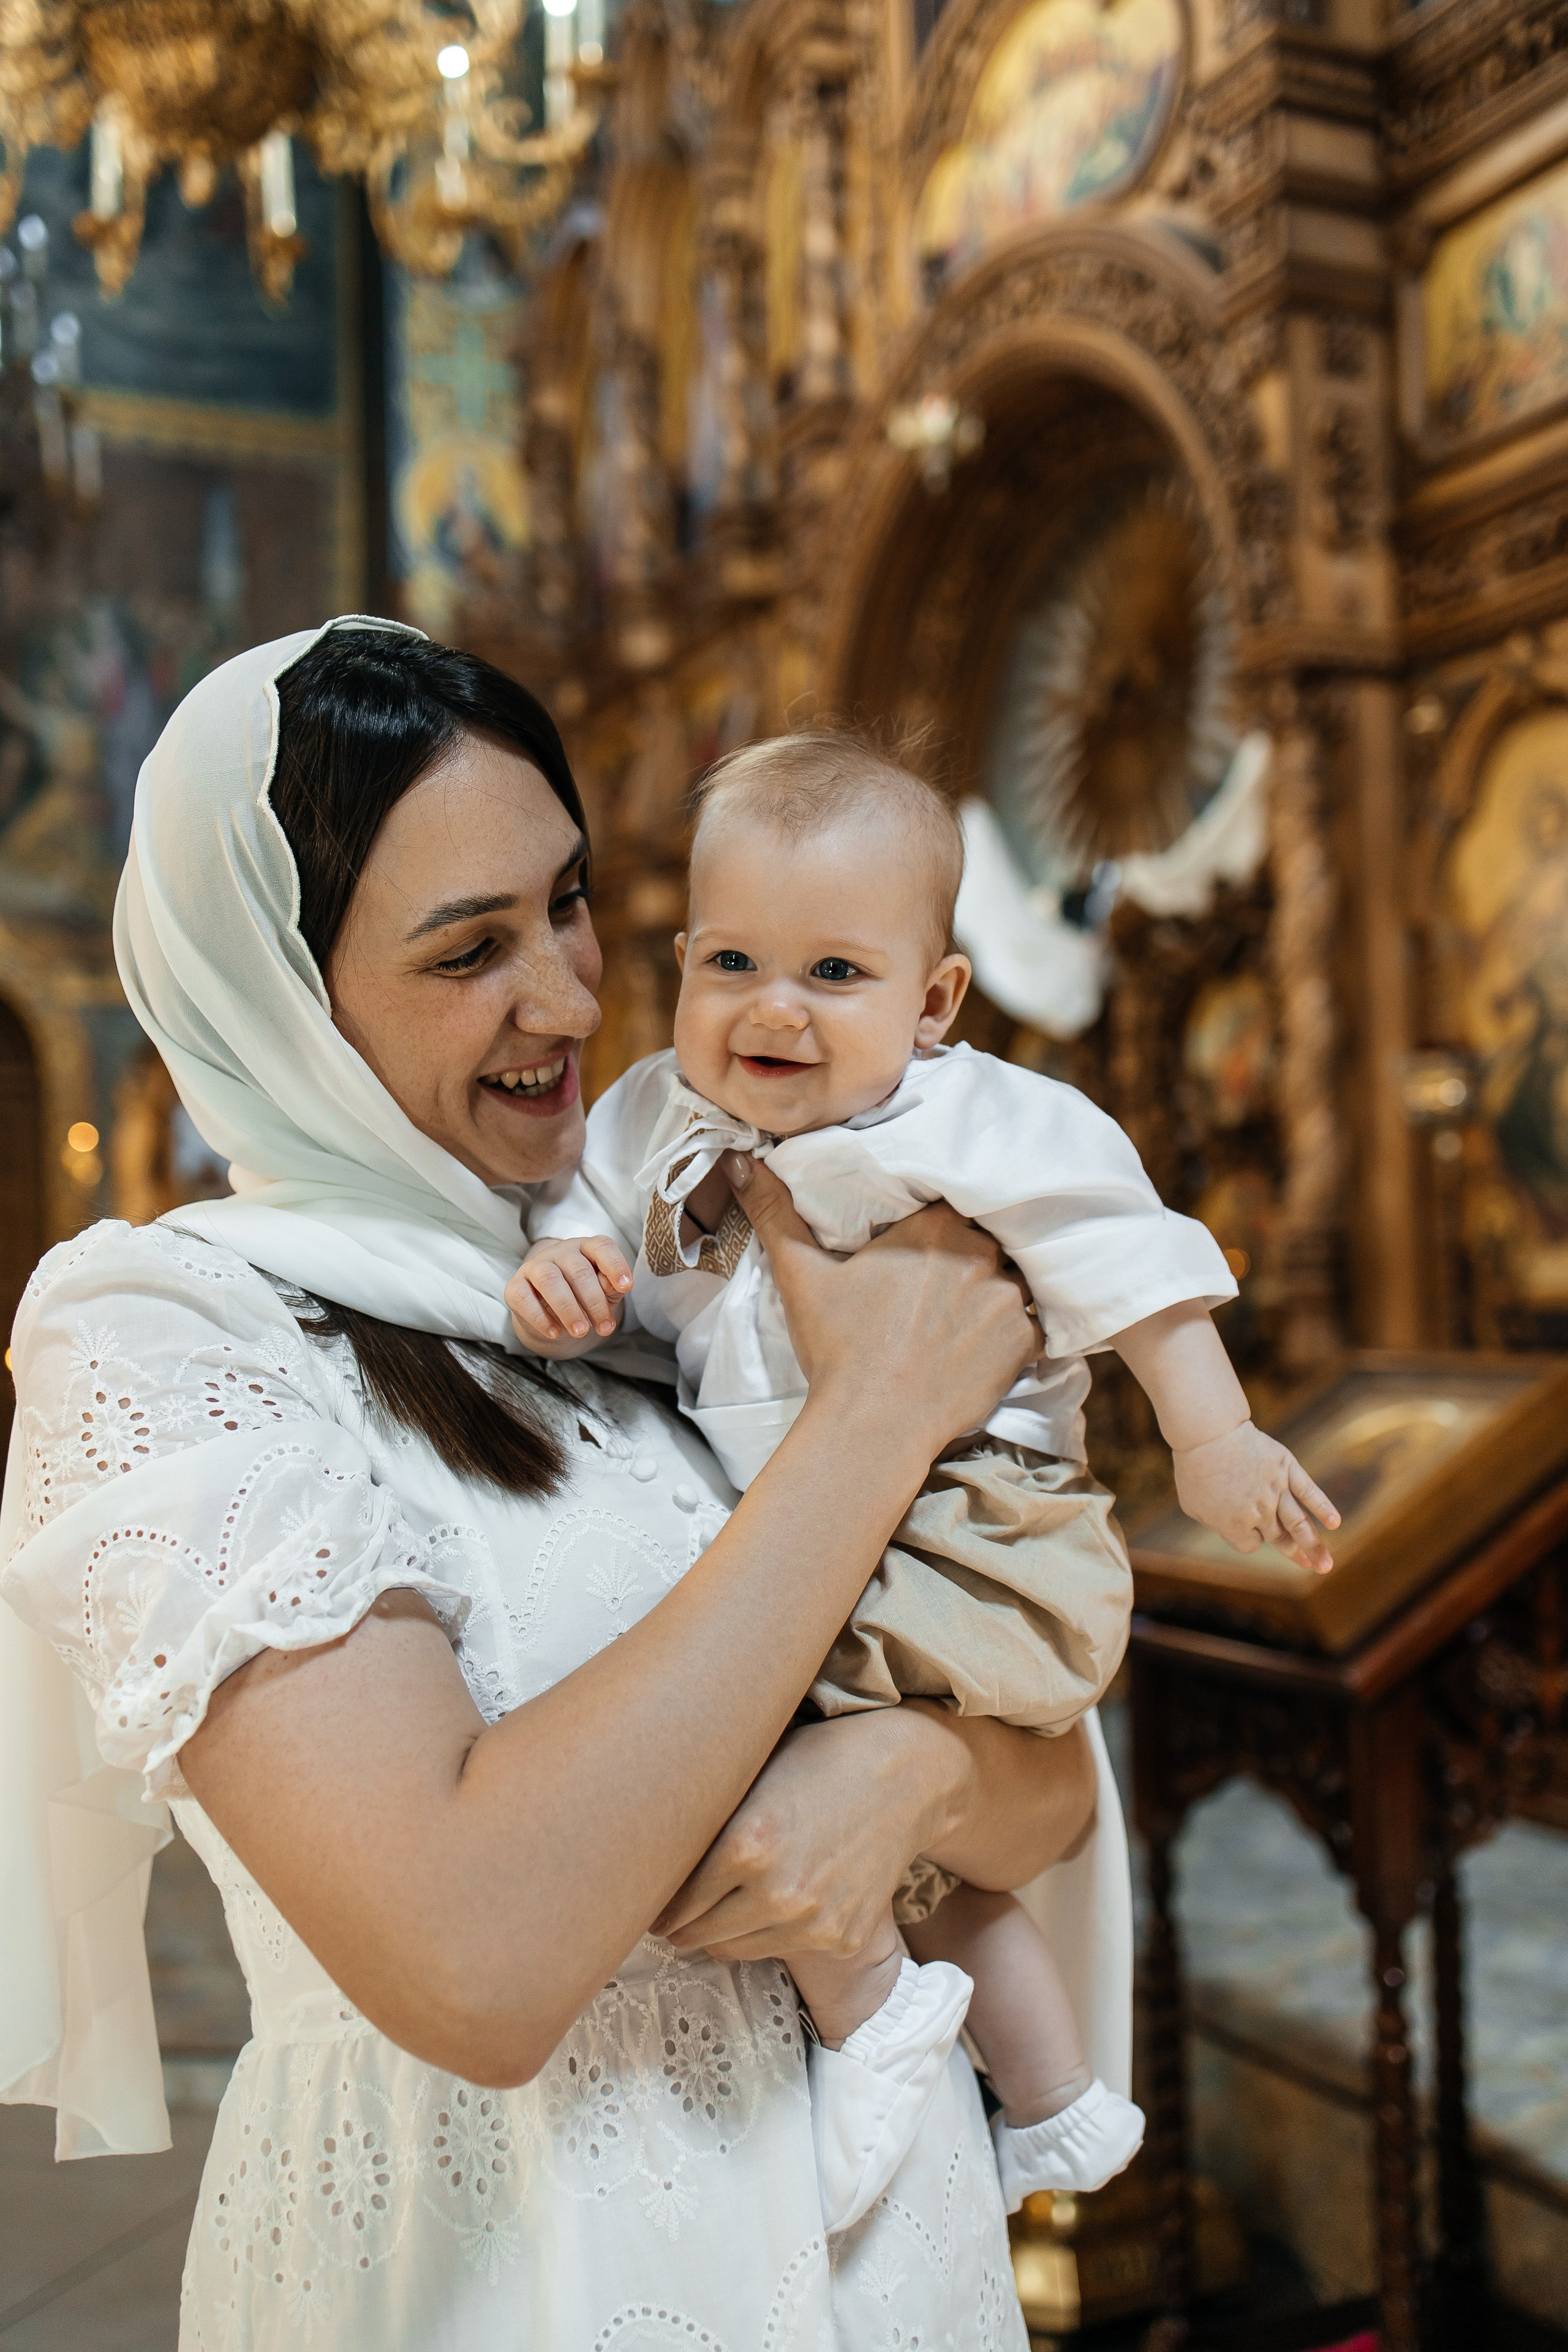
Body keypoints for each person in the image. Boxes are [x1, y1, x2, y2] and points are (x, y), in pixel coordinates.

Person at [0, 619, 1124, 2351]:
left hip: (888, 2250)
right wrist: (875, 1414)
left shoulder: (665, 1261)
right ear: (281, 998)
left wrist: (899, 1775)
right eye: (471, 951)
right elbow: (476, 1958)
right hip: (525, 2261)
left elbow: (1047, 1789)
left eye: (572, 904)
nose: (573, 999)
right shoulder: (170, 1331)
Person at [513, 733, 1340, 2226]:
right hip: (818, 1522)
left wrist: (1211, 1439)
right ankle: (1053, 2101)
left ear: (934, 1001)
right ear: (680, 964)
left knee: (733, 1754)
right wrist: (566, 1259)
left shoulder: (970, 1120)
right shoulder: (652, 1117)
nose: (774, 1007)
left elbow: (1125, 1256)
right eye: (734, 963)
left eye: (835, 973)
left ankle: (878, 2017)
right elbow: (580, 1203)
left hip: (968, 1518)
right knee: (904, 1850)